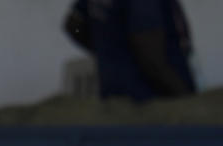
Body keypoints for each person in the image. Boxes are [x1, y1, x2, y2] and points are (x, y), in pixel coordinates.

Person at [63, 0, 196, 101]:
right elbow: (151, 58)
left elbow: (74, 25)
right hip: (150, 106)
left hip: (114, 101)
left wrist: (108, 49)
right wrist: (186, 99)